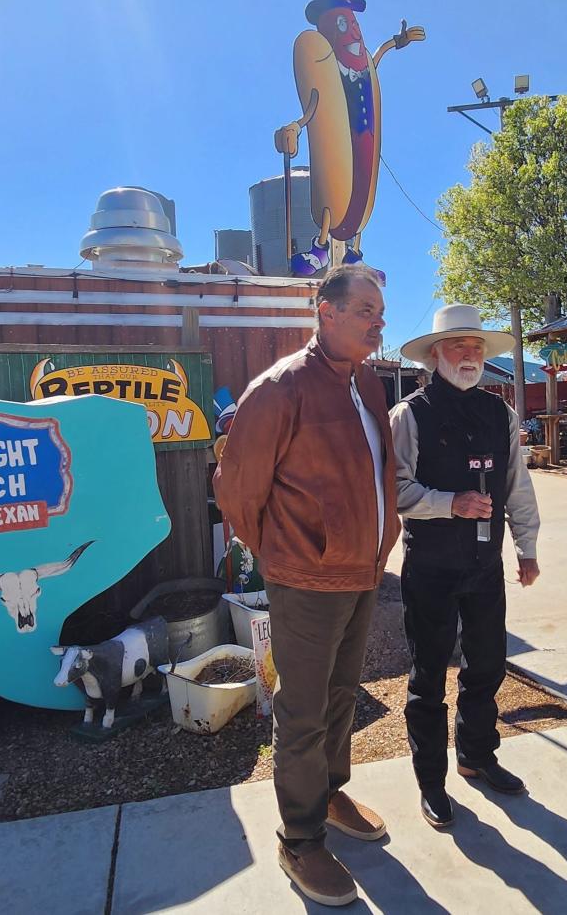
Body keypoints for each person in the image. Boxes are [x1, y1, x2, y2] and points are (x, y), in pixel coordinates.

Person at [214, 264, 399, 907]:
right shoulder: (281, 389)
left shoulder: (369, 386)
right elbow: (237, 490)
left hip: (362, 570)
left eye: (380, 312)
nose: (379, 322)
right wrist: (283, 554)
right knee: (301, 709)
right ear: (326, 311)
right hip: (307, 577)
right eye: (367, 311)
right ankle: (299, 835)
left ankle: (329, 790)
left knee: (343, 693)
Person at [390, 303, 542, 828]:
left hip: (483, 563)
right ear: (436, 355)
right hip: (430, 566)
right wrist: (448, 502)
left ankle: (477, 755)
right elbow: (394, 489)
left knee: (488, 665)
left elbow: (516, 486)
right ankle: (431, 782)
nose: (471, 356)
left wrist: (527, 548)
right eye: (460, 347)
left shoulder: (500, 413)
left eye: (477, 348)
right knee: (428, 676)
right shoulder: (408, 415)